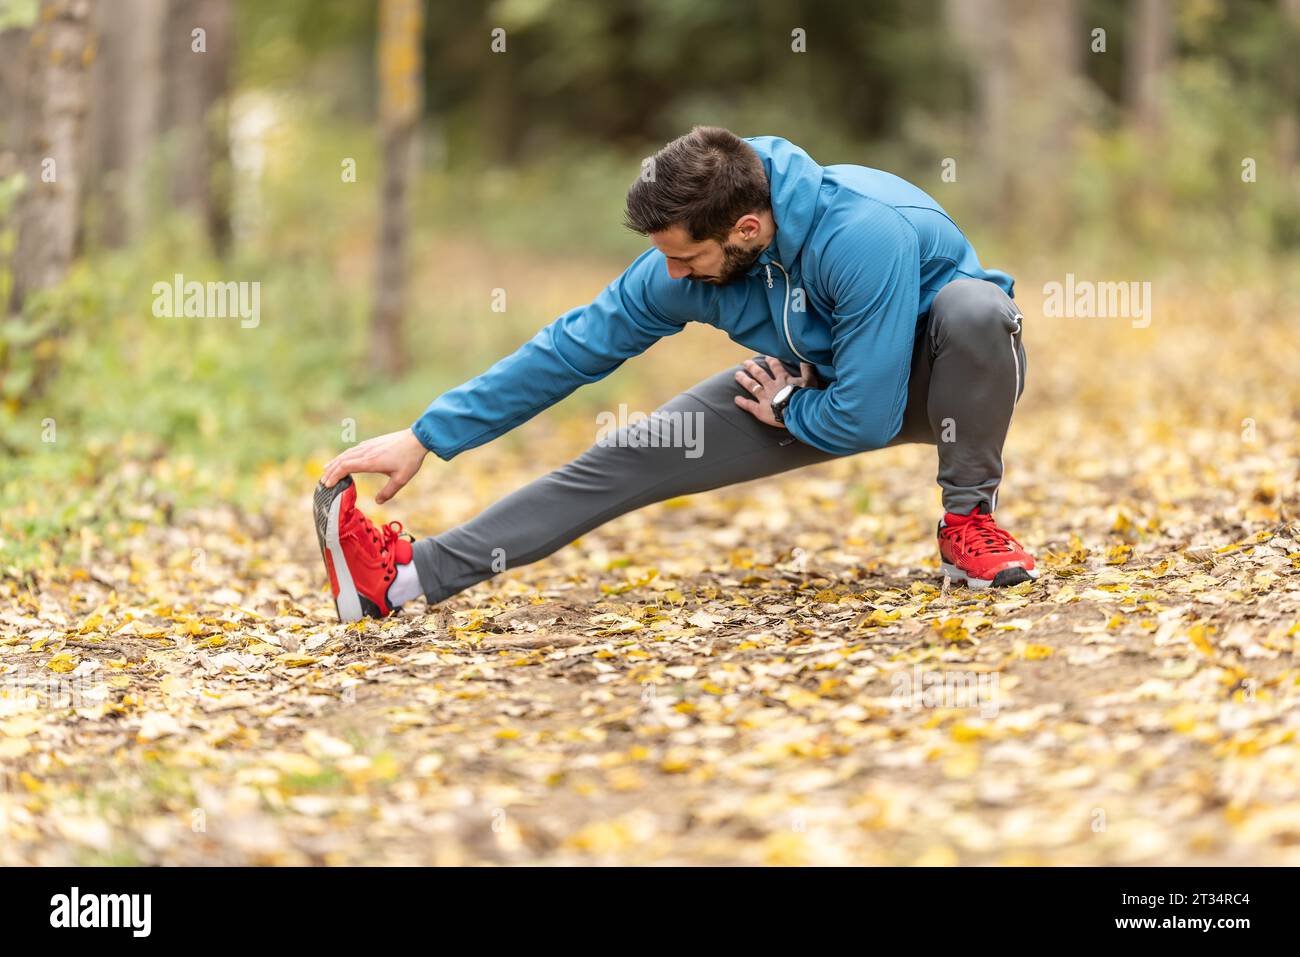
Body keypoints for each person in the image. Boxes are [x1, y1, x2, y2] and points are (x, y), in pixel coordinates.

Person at [314, 126, 1035, 622]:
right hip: (810, 386)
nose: (671, 274)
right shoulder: (686, 256)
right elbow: (570, 349)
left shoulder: (861, 235)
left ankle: (969, 521)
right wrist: (428, 434)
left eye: (686, 259)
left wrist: (791, 407)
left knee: (975, 309)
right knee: (634, 452)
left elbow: (869, 416)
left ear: (746, 230)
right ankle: (406, 578)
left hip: (944, 377)